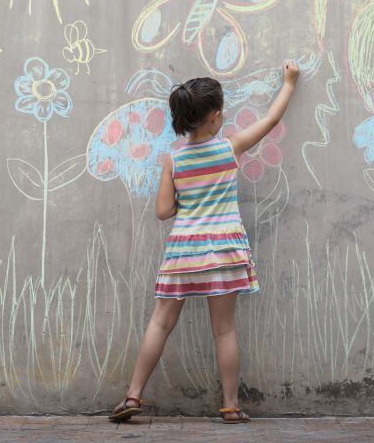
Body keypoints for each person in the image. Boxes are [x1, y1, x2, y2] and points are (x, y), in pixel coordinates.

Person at [109, 60, 301, 424]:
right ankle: (230, 406)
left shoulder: (173, 159)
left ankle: (133, 395)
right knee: (224, 329)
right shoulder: (231, 148)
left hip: (184, 248)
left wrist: (188, 197)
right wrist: (289, 82)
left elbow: (164, 210)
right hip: (224, 249)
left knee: (161, 323)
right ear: (215, 116)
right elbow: (271, 121)